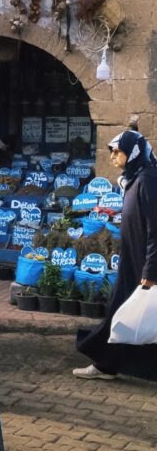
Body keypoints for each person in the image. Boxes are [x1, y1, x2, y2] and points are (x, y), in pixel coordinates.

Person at [73, 129, 157, 381]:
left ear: (133, 153)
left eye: (117, 151)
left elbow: (156, 226)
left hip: (142, 264)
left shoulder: (148, 180)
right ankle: (106, 364)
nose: (112, 157)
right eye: (111, 152)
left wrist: (150, 272)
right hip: (133, 260)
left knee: (125, 314)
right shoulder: (136, 178)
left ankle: (105, 364)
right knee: (127, 314)